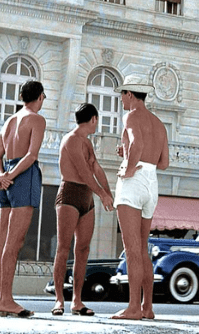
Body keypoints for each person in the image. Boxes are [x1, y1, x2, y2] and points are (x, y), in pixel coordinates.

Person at [111, 75, 169, 321]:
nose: (121, 99)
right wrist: (131, 155)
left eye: (122, 94)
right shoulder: (159, 123)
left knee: (131, 249)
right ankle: (147, 307)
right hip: (152, 182)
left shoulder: (132, 115)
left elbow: (137, 141)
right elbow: (164, 162)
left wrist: (128, 167)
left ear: (130, 94)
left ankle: (133, 308)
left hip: (134, 183)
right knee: (143, 249)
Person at [0, 80, 46, 318]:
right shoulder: (37, 120)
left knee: (2, 242)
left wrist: (1, 176)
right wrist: (11, 177)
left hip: (6, 177)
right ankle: (7, 301)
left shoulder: (9, 122)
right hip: (22, 177)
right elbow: (32, 155)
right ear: (40, 97)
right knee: (14, 242)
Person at [51, 103, 115, 317]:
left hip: (86, 198)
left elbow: (96, 167)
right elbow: (84, 173)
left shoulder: (87, 143)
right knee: (63, 248)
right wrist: (102, 194)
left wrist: (108, 192)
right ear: (93, 119)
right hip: (69, 193)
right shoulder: (70, 139)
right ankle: (59, 300)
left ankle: (77, 301)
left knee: (83, 250)